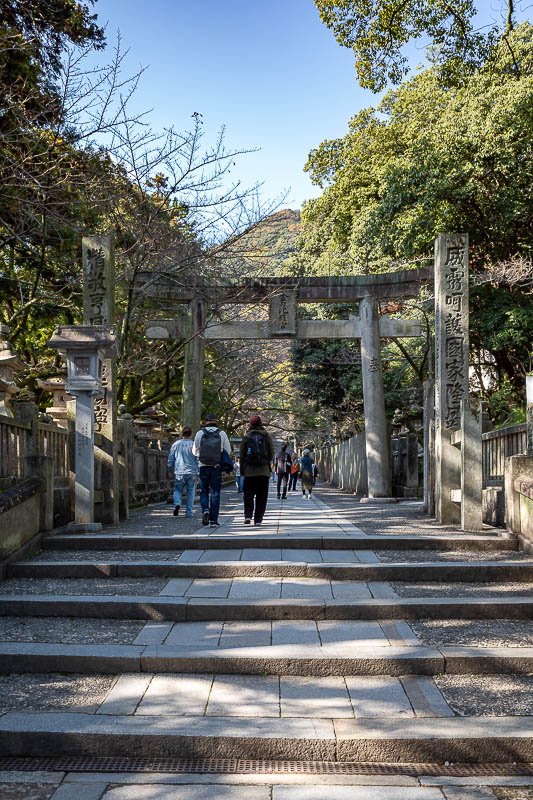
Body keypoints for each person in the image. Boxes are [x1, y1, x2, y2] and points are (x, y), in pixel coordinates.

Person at [192, 413, 232, 527]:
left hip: (203, 466)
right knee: (215, 493)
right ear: (216, 421)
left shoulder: (200, 433)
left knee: (204, 491)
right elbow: (228, 451)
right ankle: (214, 520)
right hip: (216, 467)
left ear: (205, 422)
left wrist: (203, 455)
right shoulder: (222, 433)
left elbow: (194, 452)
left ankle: (205, 510)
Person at [240, 414, 274, 525]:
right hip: (263, 471)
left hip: (249, 471)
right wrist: (266, 462)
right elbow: (271, 453)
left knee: (248, 495)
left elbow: (242, 454)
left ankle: (248, 516)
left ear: (250, 423)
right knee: (262, 496)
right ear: (260, 423)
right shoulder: (265, 436)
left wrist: (242, 470)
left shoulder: (247, 437)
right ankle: (258, 519)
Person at [167, 426, 198, 518]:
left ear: (182, 434)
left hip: (179, 471)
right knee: (191, 491)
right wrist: (199, 471)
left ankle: (177, 503)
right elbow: (197, 459)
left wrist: (170, 469)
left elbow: (171, 458)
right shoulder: (194, 445)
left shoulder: (176, 444)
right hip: (191, 471)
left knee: (177, 489)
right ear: (191, 434)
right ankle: (188, 512)